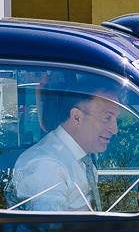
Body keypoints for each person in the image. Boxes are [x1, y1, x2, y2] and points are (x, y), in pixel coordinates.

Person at [8, 83, 121, 211]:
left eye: (115, 119)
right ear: (76, 117)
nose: (114, 129)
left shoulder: (81, 158)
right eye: (107, 118)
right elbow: (53, 229)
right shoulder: (47, 166)